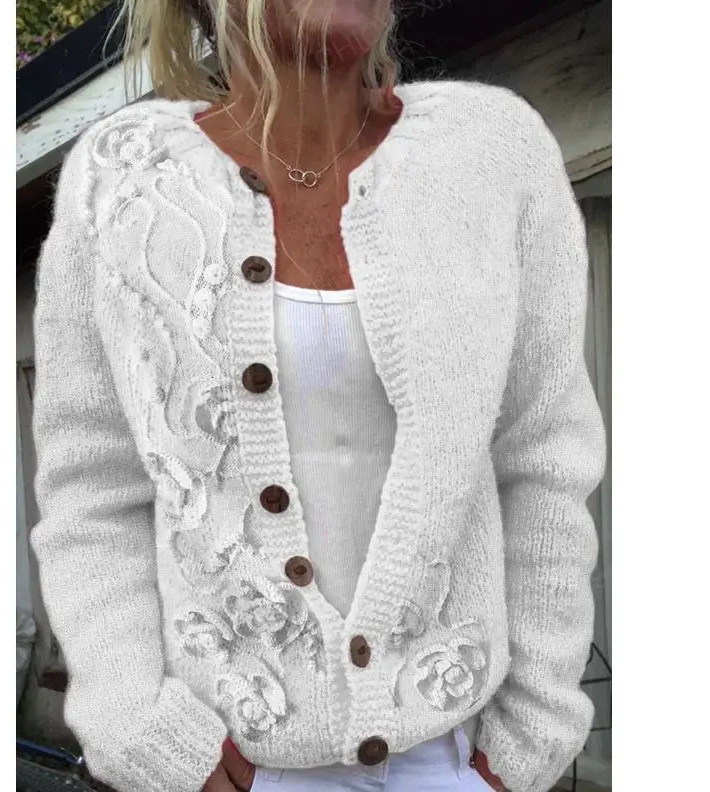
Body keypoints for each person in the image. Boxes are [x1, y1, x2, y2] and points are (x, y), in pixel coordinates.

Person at [30, 1, 606, 791]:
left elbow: (542, 459)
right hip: (225, 763)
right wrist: (140, 730)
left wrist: (527, 743)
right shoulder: (122, 176)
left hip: (454, 761)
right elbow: (92, 490)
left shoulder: (491, 153)